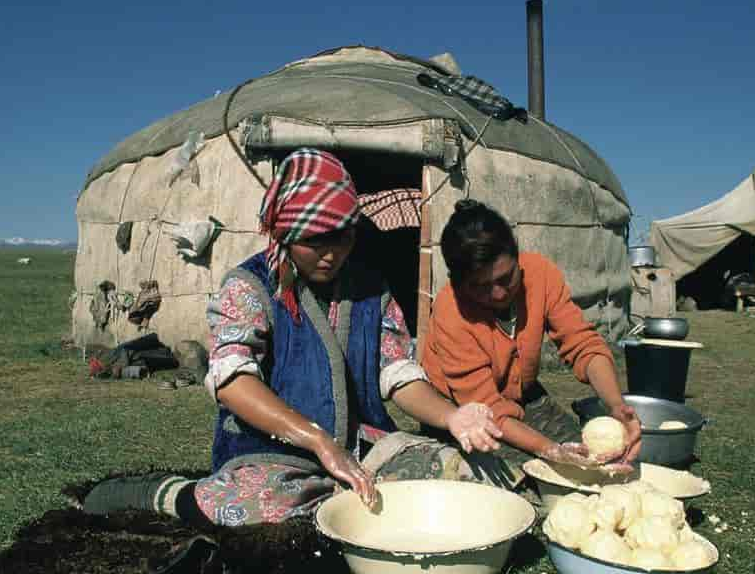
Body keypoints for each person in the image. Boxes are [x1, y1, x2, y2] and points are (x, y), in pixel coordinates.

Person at [81, 149, 503, 526]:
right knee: (262, 507)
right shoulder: (250, 287)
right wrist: (318, 441)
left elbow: (398, 374)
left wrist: (451, 417)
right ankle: (172, 494)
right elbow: (232, 382)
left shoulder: (371, 287)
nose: (331, 253)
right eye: (314, 241)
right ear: (283, 231)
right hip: (274, 451)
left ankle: (339, 499)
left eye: (343, 237)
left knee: (459, 474)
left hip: (363, 445)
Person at [420, 199, 641, 472]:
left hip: (522, 398)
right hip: (465, 413)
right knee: (525, 478)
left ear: (517, 256)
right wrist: (548, 450)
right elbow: (488, 409)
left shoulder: (540, 275)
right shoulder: (451, 312)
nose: (499, 294)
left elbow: (584, 346)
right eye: (481, 287)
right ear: (457, 283)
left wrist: (616, 405)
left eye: (506, 278)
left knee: (590, 463)